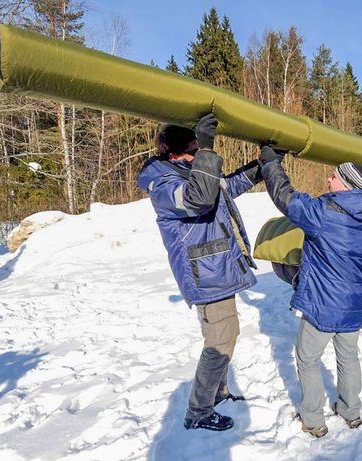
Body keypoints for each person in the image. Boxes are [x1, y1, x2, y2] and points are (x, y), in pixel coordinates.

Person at [136, 114, 262, 431]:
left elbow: (225, 186)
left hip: (218, 270)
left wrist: (262, 166)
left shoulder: (188, 170)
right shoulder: (164, 183)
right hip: (205, 275)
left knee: (226, 337)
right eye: (193, 150)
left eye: (197, 150)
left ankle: (216, 394)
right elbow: (200, 199)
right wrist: (207, 149)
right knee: (219, 343)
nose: (197, 156)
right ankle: (199, 411)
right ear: (174, 152)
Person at [259, 146, 362, 438]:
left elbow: (286, 198)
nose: (328, 180)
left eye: (333, 177)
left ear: (346, 184)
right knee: (348, 357)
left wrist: (271, 163)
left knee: (307, 358)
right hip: (355, 303)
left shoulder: (324, 213)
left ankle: (313, 419)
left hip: (324, 304)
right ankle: (350, 411)